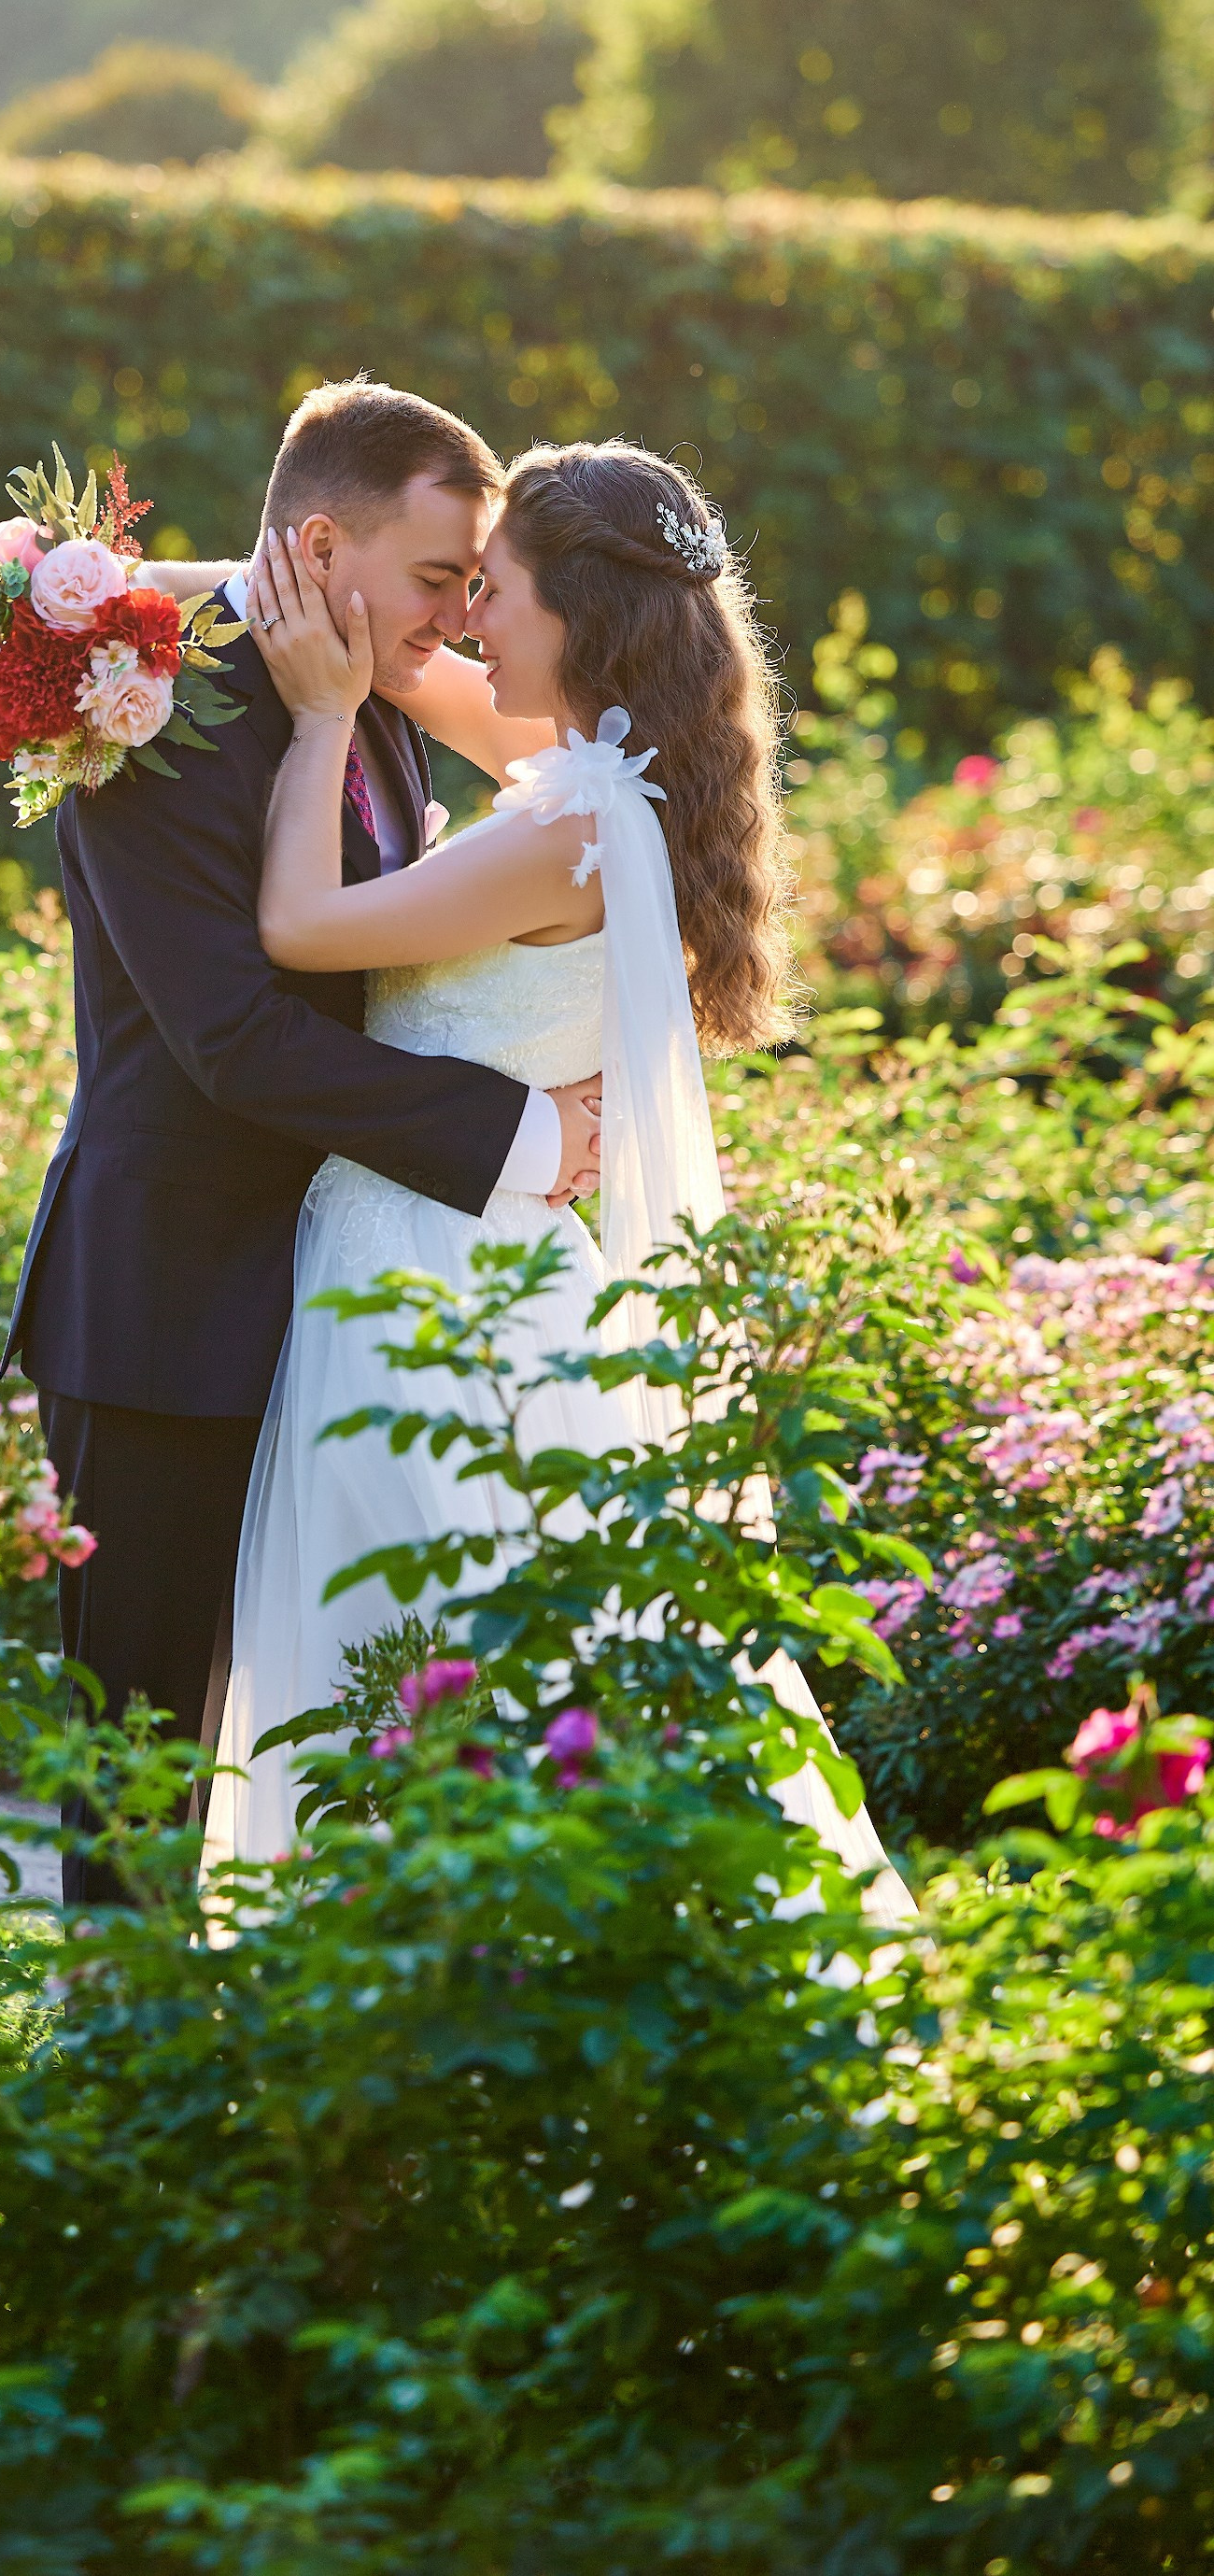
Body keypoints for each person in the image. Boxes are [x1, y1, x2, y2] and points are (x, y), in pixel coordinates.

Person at [198, 434, 912, 1924]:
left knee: (415, 1652)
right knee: (447, 1657)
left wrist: (320, 717)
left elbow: (298, 925)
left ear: (580, 618)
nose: (466, 620)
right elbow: (391, 655)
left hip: (424, 1277)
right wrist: (94, 593)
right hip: (480, 1253)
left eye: (496, 590)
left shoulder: (572, 822)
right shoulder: (586, 770)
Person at [4, 381, 603, 1905]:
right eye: (437, 578)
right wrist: (523, 1136)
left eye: (479, 586)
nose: (462, 617)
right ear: (320, 544)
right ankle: (117, 2100)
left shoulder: (373, 693)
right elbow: (235, 1045)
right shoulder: (146, 725)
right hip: (168, 1306)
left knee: (329, 1734)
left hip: (342, 1304)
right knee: (136, 1773)